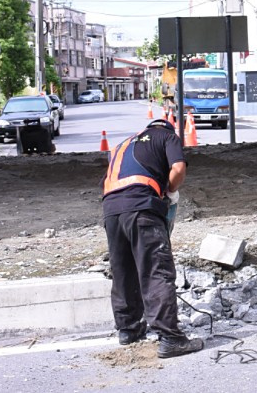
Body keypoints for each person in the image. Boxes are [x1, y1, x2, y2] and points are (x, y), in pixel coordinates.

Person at [102, 118, 204, 358]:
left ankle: (128, 329)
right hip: (142, 208)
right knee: (156, 270)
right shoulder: (167, 136)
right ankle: (171, 338)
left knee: (123, 270)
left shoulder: (120, 146)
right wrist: (168, 191)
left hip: (112, 211)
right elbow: (178, 169)